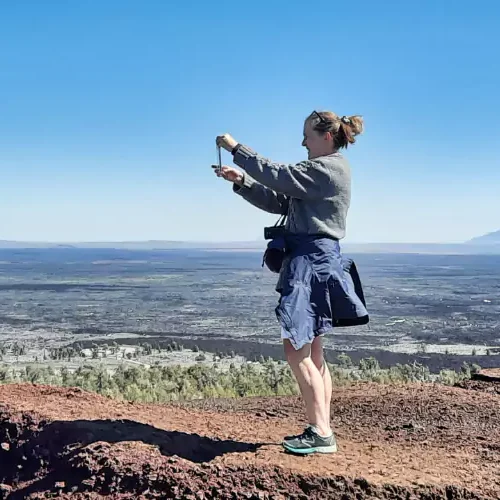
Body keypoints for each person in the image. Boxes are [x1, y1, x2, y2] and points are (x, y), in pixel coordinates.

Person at [215, 110, 368, 455]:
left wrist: (238, 149)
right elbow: (280, 200)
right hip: (317, 260)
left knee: (295, 347)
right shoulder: (324, 172)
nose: (303, 142)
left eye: (307, 136)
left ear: (326, 136)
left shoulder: (327, 169)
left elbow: (279, 175)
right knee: (313, 350)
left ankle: (322, 432)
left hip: (310, 263)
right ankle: (322, 427)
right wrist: (241, 181)